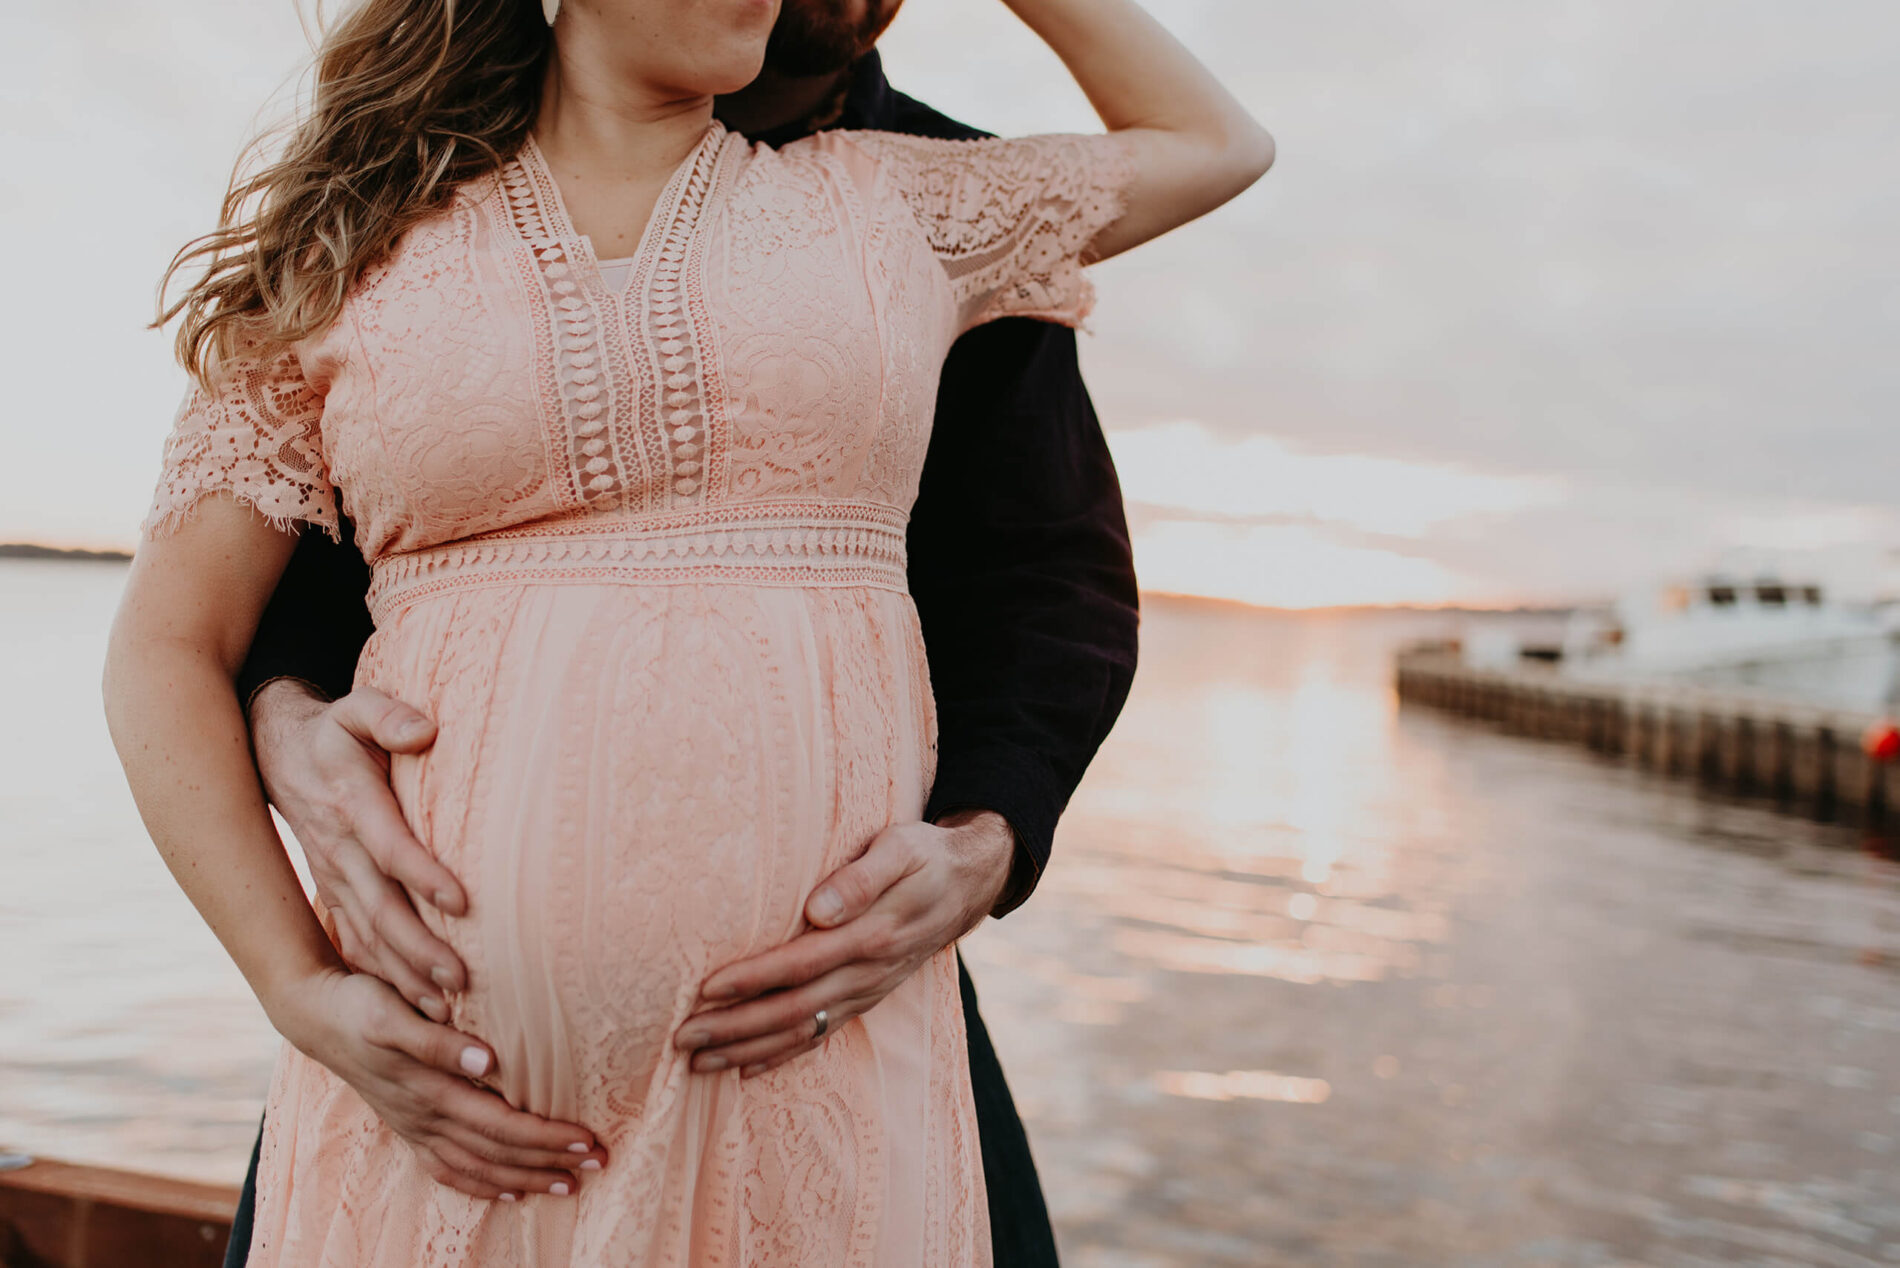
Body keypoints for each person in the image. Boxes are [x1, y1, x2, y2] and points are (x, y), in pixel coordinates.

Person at [104, 0, 1272, 1261]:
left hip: (814, 1070)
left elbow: (1214, 145)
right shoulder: (355, 251)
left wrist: (987, 834)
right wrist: (295, 981)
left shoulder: (899, 203)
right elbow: (172, 641)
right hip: (444, 1098)